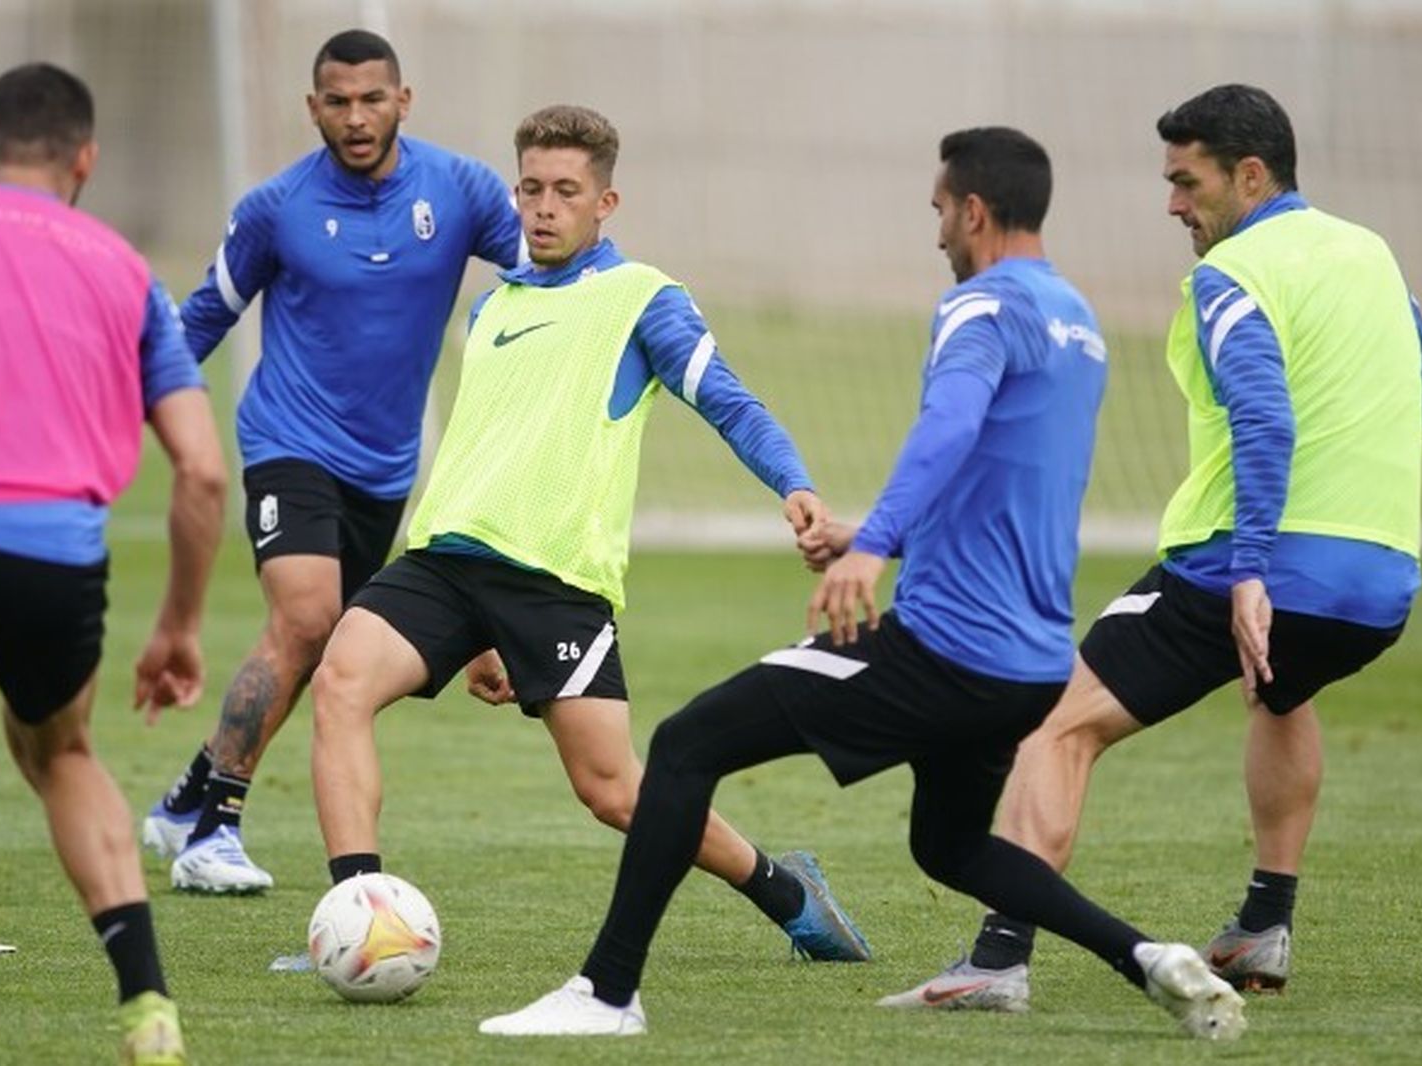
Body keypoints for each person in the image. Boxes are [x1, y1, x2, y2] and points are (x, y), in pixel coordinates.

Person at [479, 127, 1246, 1040]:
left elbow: (949, 430)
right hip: (1034, 661)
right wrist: (877, 533)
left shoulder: (979, 307)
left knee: (686, 745)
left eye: (936, 213)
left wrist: (870, 547)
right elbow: (1000, 484)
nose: (934, 236)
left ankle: (606, 995)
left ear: (972, 210)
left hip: (944, 650)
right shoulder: (1077, 324)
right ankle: (1147, 956)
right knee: (949, 844)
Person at [308, 104, 871, 964]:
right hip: (445, 563)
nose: (543, 207)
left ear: (605, 203)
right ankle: (359, 919)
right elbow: (480, 450)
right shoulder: (489, 311)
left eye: (565, 191)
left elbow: (729, 399)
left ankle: (785, 890)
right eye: (531, 188)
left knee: (612, 792)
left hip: (556, 585)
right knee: (342, 681)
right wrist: (474, 639)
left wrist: (793, 482)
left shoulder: (641, 298)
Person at [957, 84, 1422, 1008]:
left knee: (1054, 723)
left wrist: (1254, 570)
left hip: (1257, 563)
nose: (1173, 205)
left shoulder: (1231, 274)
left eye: (1188, 183)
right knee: (1282, 687)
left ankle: (996, 960)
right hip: (1381, 583)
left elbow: (1264, 418)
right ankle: (1265, 923)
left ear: (1251, 175)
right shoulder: (1373, 255)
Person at [140, 29, 525, 894]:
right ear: (313, 107)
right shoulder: (277, 207)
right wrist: (124, 409)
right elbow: (200, 319)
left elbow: (547, 271)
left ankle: (183, 800)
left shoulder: (460, 190)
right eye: (338, 102)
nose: (357, 117)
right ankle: (213, 832)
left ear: (404, 100)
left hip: (387, 470)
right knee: (309, 621)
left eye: (372, 99)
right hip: (289, 444)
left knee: (307, 645)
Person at [0, 64, 226, 1065]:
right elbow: (204, 473)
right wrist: (176, 627)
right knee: (62, 753)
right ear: (84, 159)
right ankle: (148, 1008)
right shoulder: (128, 272)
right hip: (51, 555)